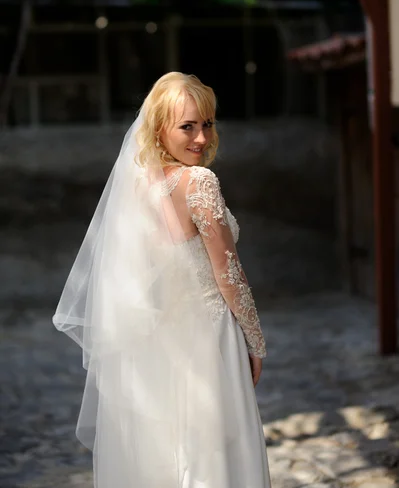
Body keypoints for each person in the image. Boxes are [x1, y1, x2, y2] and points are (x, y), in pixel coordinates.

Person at [53, 72, 271, 488]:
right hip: (210, 336)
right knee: (216, 454)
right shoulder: (199, 182)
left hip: (160, 344)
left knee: (172, 456)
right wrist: (255, 341)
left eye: (207, 123)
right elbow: (228, 274)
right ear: (158, 129)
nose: (202, 138)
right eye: (187, 126)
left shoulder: (136, 188)